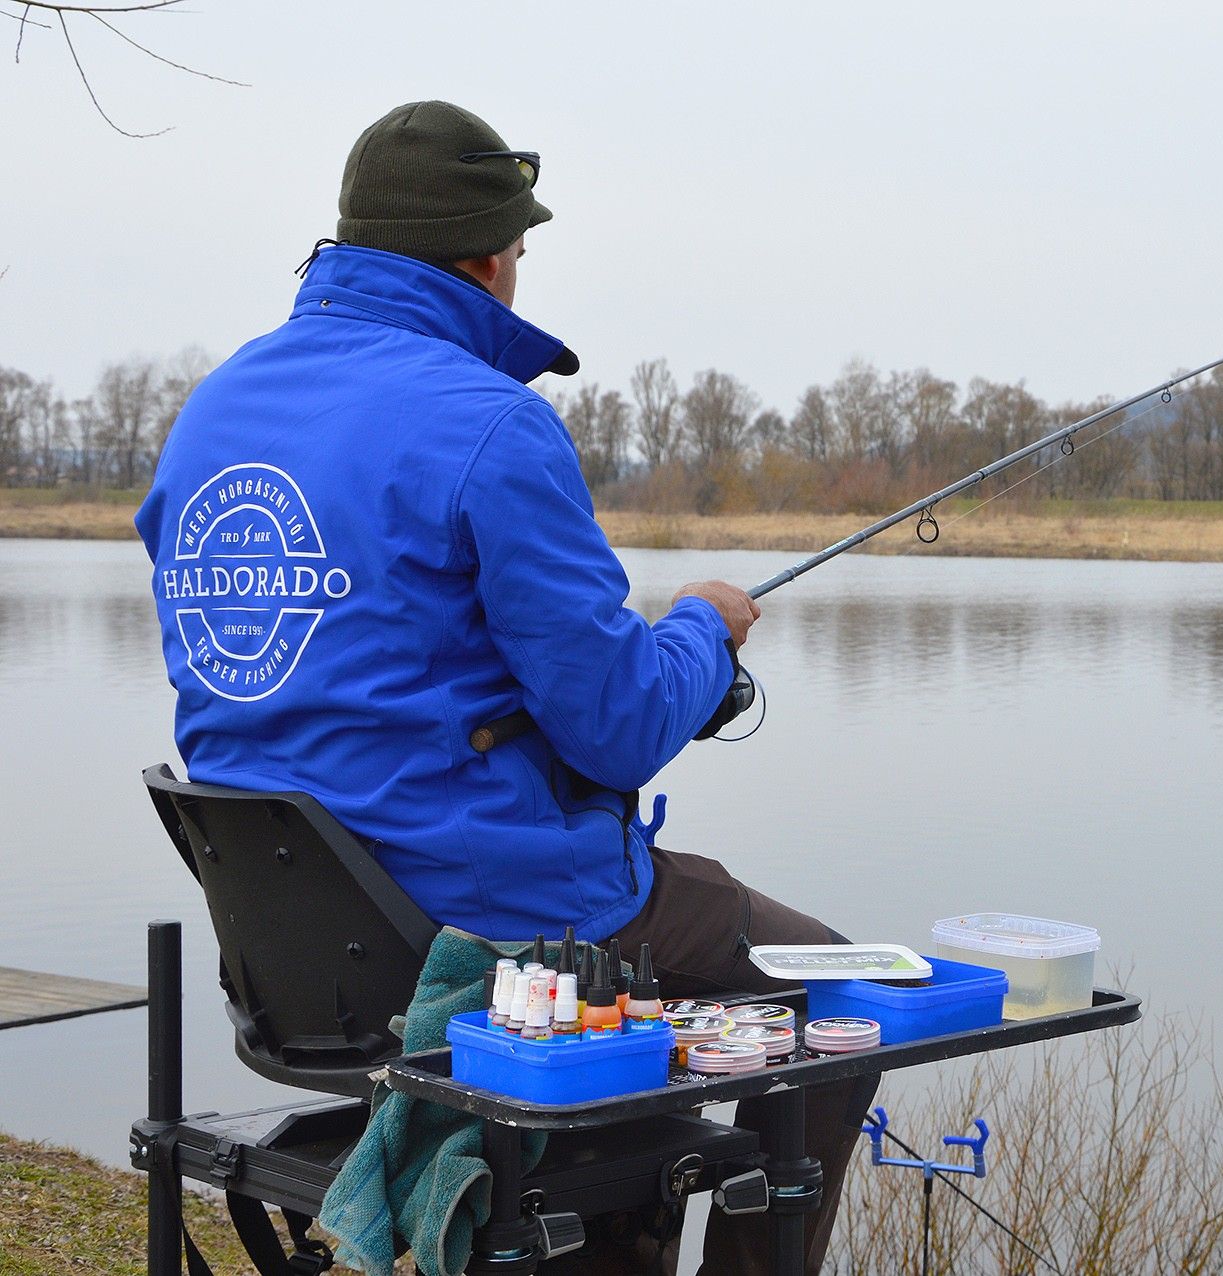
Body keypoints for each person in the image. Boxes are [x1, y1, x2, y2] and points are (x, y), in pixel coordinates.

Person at [134, 100, 872, 1275]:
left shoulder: (211, 414)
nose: (519, 275)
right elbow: (622, 724)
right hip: (495, 927)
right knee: (839, 1002)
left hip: (298, 960)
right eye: (519, 252)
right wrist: (703, 627)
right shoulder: (492, 424)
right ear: (486, 256)